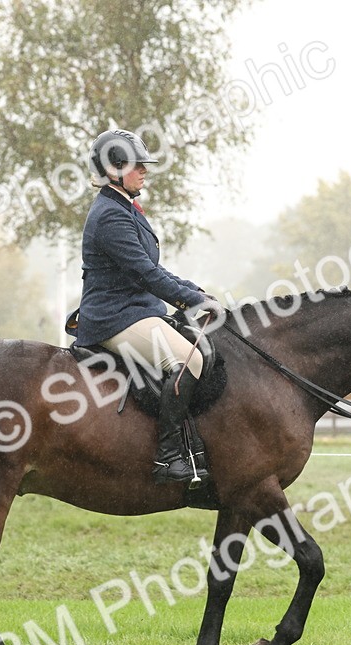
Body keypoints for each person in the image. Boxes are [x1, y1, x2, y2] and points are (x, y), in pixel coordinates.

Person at [72, 128, 214, 485]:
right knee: (189, 359)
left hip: (135, 309)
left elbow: (152, 271)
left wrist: (195, 292)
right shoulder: (110, 215)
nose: (144, 171)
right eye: (137, 165)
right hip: (115, 317)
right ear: (115, 168)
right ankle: (168, 457)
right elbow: (145, 273)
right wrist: (192, 301)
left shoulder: (124, 207)